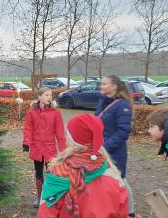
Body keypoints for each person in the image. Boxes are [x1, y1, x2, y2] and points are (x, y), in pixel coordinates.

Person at [37, 113, 129, 218]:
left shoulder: (57, 175)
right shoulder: (114, 175)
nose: (65, 137)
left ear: (73, 140)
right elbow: (123, 213)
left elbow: (45, 214)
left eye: (67, 134)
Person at [94, 75, 136, 218]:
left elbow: (123, 133)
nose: (101, 86)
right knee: (103, 180)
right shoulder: (103, 101)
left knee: (120, 180)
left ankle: (130, 212)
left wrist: (104, 147)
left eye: (104, 84)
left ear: (114, 86)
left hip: (115, 152)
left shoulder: (122, 106)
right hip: (100, 149)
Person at [23, 87, 66, 208]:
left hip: (50, 150)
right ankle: (39, 197)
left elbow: (60, 133)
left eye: (50, 95)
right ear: (39, 97)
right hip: (37, 149)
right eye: (46, 95)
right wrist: (26, 143)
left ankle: (51, 196)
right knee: (38, 174)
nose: (49, 97)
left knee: (52, 173)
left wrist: (63, 151)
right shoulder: (31, 112)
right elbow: (28, 129)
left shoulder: (55, 112)